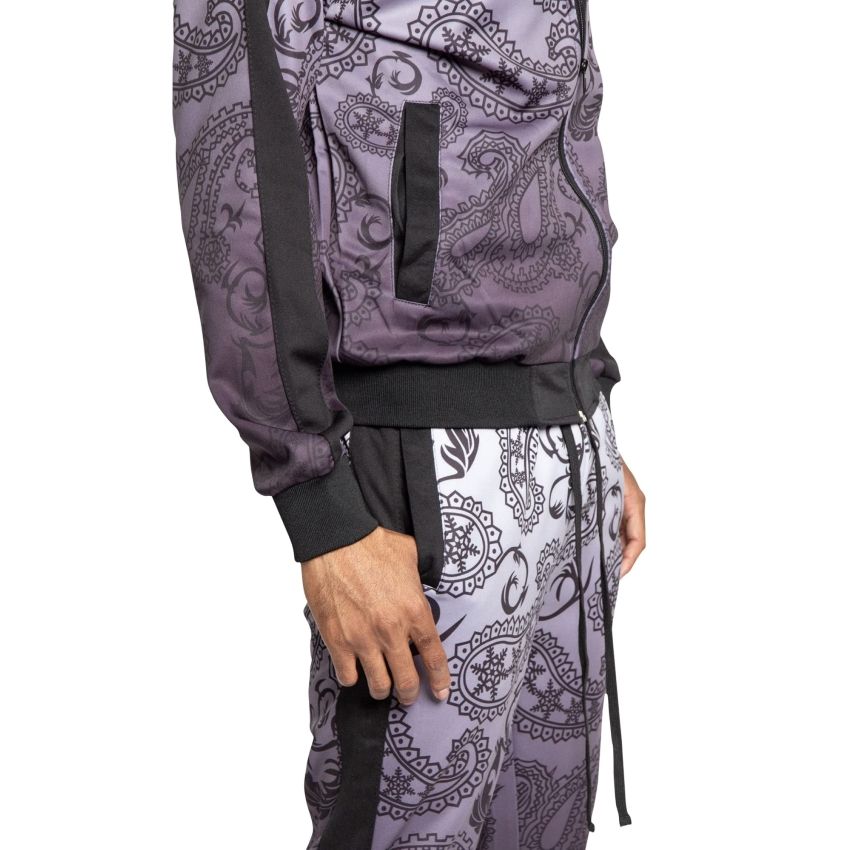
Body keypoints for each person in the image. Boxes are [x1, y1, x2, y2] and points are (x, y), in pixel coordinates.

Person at [172, 1, 646, 847]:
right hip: (422, 468)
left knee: (545, 827)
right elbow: (242, 193)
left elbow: (553, 146)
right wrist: (320, 510)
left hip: (570, 446)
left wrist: (584, 396)